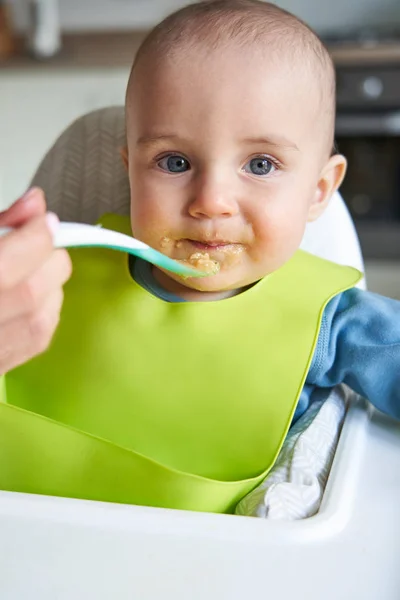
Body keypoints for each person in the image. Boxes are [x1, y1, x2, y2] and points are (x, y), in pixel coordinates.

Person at [0, 0, 399, 514]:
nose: (211, 200)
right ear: (130, 171)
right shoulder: (54, 274)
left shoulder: (335, 321)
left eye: (260, 164)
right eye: (174, 161)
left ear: (319, 190)